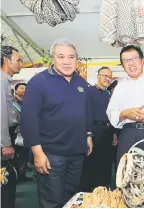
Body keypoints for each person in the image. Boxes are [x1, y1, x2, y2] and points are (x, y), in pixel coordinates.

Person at [20, 38, 93, 208]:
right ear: (53, 58)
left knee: (72, 199)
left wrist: (88, 134)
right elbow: (28, 119)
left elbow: (86, 111)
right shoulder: (39, 82)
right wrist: (38, 152)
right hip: (51, 154)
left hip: (77, 153)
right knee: (52, 200)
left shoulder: (81, 83)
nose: (66, 62)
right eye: (61, 57)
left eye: (71, 57)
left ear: (77, 59)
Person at [80, 67, 116, 192]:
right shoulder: (89, 92)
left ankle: (102, 191)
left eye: (109, 76)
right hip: (95, 131)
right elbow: (86, 114)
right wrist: (88, 135)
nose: (107, 78)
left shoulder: (108, 94)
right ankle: (89, 194)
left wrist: (114, 134)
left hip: (108, 132)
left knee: (105, 163)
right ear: (98, 76)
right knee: (91, 164)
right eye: (104, 75)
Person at [1, 45, 23, 208]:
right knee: (5, 184)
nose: (21, 63)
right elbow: (1, 115)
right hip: (3, 140)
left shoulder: (5, 81)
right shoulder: (1, 81)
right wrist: (6, 143)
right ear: (6, 61)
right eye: (18, 60)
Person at [13, 83, 33, 182]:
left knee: (24, 154)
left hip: (26, 131)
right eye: (21, 88)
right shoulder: (13, 103)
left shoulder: (28, 102)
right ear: (16, 91)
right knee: (17, 154)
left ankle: (22, 174)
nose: (23, 90)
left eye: (25, 88)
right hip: (15, 132)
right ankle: (17, 175)